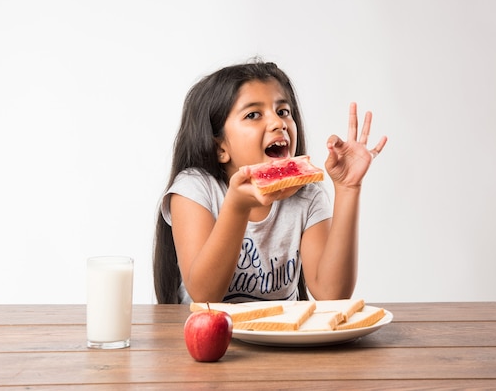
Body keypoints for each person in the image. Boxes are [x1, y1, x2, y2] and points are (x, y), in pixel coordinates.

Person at [153, 60, 387, 304]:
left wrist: (348, 189)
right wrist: (237, 206)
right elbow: (205, 295)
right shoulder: (195, 189)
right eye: (253, 114)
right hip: (214, 340)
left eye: (283, 111)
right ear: (220, 147)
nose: (279, 123)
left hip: (283, 340)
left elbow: (331, 293)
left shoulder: (307, 198)